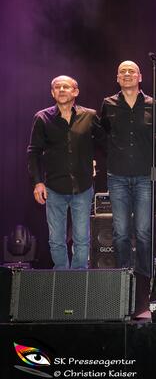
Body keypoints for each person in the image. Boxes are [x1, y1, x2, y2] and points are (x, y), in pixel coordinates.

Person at [27, 75, 102, 269]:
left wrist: (95, 163)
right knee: (56, 239)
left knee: (82, 239)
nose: (61, 90)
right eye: (57, 87)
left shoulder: (90, 116)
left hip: (83, 187)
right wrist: (37, 182)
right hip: (54, 188)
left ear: (75, 91)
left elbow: (105, 143)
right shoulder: (42, 118)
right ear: (52, 93)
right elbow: (33, 152)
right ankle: (61, 278)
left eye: (66, 87)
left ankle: (78, 279)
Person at [100, 60, 156, 278]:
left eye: (131, 71)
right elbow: (102, 134)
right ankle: (123, 279)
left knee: (144, 232)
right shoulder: (108, 104)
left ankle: (146, 279)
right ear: (117, 78)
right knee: (120, 233)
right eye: (122, 71)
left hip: (145, 176)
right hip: (117, 177)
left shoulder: (155, 105)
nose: (127, 74)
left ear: (140, 77)